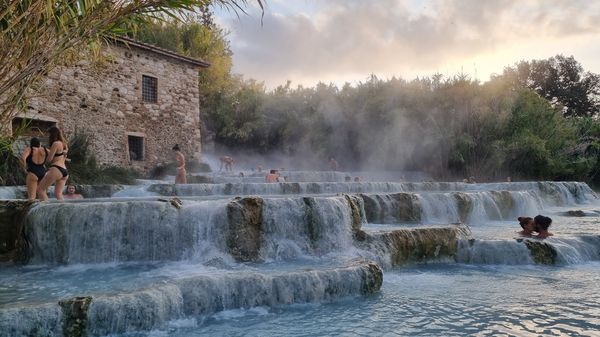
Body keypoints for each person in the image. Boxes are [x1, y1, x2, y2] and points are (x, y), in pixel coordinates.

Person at [37, 126, 69, 201]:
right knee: (58, 194)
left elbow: (49, 159)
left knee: (41, 190)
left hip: (56, 168)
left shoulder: (55, 143)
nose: (48, 136)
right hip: (64, 171)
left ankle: (46, 210)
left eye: (49, 134)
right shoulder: (64, 144)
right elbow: (63, 155)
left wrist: (46, 153)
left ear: (52, 134)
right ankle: (62, 210)